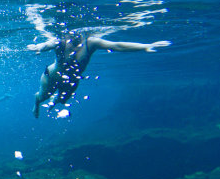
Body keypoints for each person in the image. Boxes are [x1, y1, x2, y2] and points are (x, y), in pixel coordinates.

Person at [28, 31, 171, 118]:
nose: (73, 35)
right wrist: (39, 47)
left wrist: (145, 46)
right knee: (42, 97)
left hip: (72, 80)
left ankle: (55, 101)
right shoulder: (60, 41)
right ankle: (36, 103)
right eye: (70, 32)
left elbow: (117, 45)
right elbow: (47, 44)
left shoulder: (91, 42)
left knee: (63, 101)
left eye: (77, 32)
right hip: (51, 77)